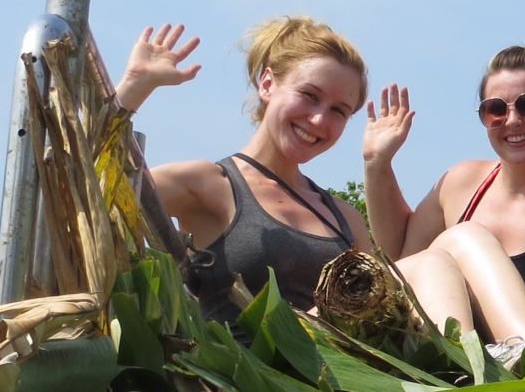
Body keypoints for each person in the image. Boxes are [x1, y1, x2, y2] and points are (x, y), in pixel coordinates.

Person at [114, 17, 377, 323]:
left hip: (337, 368)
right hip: (238, 367)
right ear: (267, 84)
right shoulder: (208, 185)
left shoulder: (346, 220)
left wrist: (378, 165)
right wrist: (133, 86)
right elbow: (83, 192)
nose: (319, 120)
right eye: (309, 95)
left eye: (338, 111)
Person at [361, 45, 525, 344]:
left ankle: (521, 348)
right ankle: (518, 346)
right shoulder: (460, 182)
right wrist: (377, 164)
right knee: (458, 242)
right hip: (448, 374)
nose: (512, 120)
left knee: (462, 237)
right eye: (495, 109)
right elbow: (400, 261)